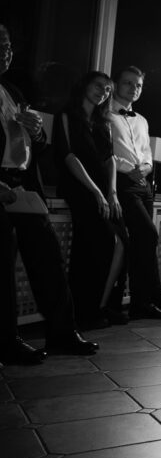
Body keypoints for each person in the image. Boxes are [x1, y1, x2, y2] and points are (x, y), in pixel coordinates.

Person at [0, 23, 97, 363]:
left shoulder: (13, 91)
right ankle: (7, 342)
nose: (6, 52)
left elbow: (36, 147)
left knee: (48, 257)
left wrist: (38, 133)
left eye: (9, 45)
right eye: (0, 44)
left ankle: (62, 333)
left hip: (24, 186)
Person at [52, 71, 129, 328]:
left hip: (102, 190)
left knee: (122, 241)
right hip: (78, 186)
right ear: (85, 84)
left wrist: (112, 192)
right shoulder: (66, 115)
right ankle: (84, 310)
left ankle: (99, 306)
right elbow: (69, 156)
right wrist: (96, 191)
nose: (103, 92)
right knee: (104, 241)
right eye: (99, 86)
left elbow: (110, 160)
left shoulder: (102, 122)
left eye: (108, 90)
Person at [109, 66, 161, 320]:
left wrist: (146, 168)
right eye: (128, 83)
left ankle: (149, 299)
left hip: (142, 184)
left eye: (138, 85)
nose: (133, 89)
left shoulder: (141, 120)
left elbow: (147, 154)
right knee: (148, 235)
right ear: (116, 84)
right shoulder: (104, 114)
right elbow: (105, 152)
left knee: (146, 243)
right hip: (120, 182)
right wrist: (127, 169)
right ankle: (146, 299)